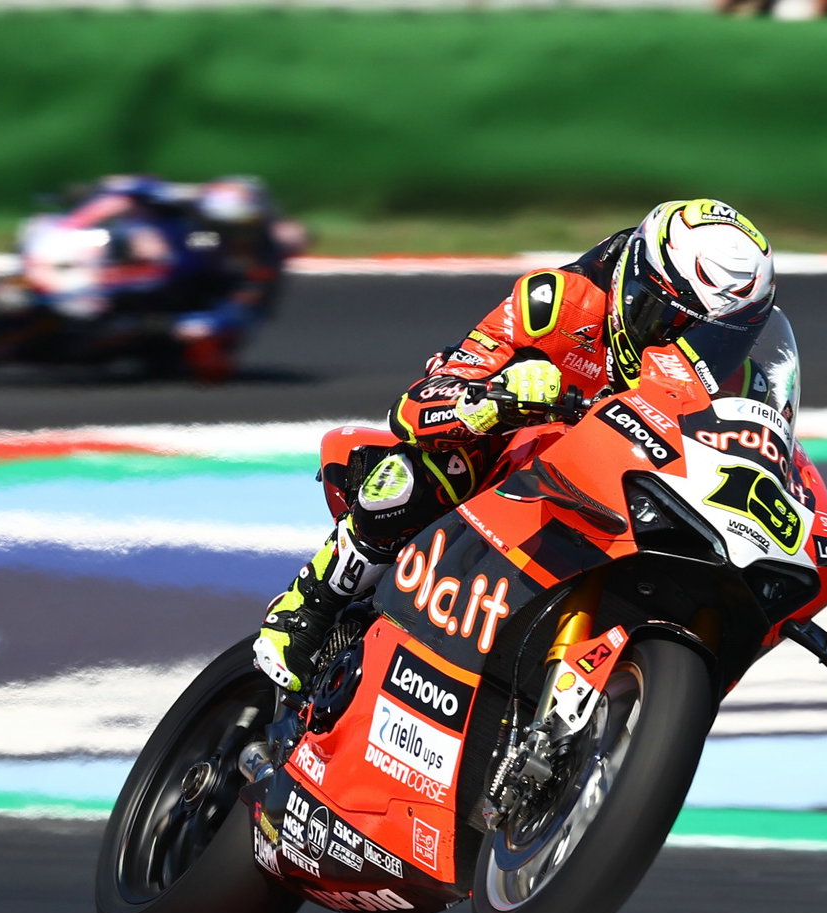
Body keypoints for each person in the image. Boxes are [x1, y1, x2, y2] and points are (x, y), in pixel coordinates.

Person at [254, 197, 782, 694]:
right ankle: (313, 605)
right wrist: (488, 401)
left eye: (719, 340)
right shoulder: (554, 304)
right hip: (517, 474)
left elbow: (762, 452)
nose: (685, 350)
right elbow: (415, 406)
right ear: (632, 286)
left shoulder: (741, 383)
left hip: (628, 504)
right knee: (430, 465)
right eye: (670, 324)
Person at [58, 173, 295, 380]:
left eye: (239, 227)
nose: (231, 234)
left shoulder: (263, 256)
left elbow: (242, 308)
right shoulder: (202, 235)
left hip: (198, 317)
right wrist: (118, 188)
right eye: (220, 226)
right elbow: (140, 188)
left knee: (201, 352)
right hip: (178, 278)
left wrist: (201, 324)